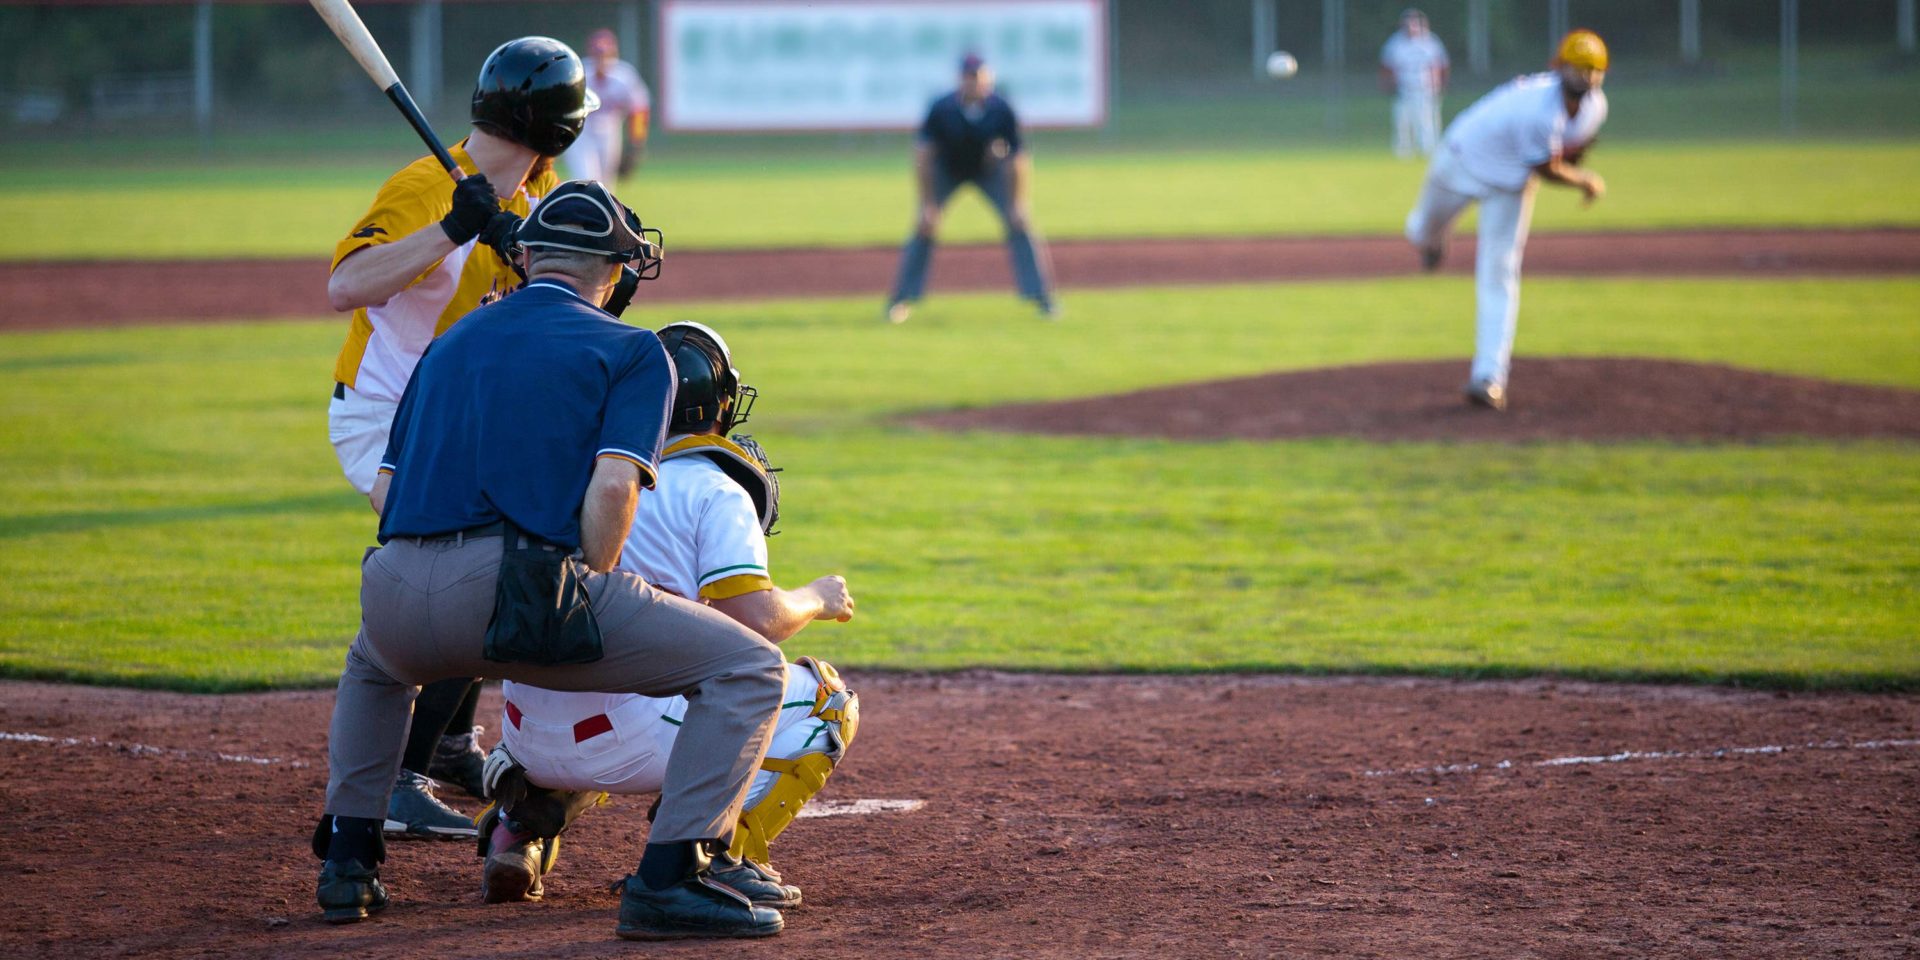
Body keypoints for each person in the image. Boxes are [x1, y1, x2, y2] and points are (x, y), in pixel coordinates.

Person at [312, 179, 791, 941]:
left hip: (395, 586)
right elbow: (611, 490)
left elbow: (388, 487)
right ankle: (673, 876)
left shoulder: (446, 345)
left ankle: (347, 863)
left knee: (374, 670)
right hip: (522, 591)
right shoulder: (633, 349)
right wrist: (593, 579)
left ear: (527, 256)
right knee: (750, 670)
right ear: (614, 273)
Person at [472, 321, 859, 910]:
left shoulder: (568, 469)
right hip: (630, 736)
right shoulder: (712, 489)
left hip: (523, 729)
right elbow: (755, 621)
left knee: (603, 670)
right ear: (722, 404)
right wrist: (815, 596)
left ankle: (520, 823)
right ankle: (718, 854)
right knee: (822, 697)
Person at [326, 36, 594, 841]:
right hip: (385, 417)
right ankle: (399, 780)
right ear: (559, 123)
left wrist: (536, 256)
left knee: (509, 547)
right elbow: (346, 286)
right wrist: (452, 228)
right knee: (459, 565)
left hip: (460, 422)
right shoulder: (422, 187)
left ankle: (445, 746)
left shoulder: (542, 189)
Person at [1403, 29, 1610, 411]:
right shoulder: (1538, 109)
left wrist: (1571, 159)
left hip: (1510, 183)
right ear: (1557, 66)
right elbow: (1548, 168)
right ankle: (1431, 243)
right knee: (1420, 230)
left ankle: (1489, 377)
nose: (1586, 77)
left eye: (1593, 69)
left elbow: (1567, 149)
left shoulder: (1596, 108)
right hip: (1462, 160)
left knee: (1500, 272)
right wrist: (1584, 181)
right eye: (1578, 68)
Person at [885, 53, 1056, 324]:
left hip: (988, 171)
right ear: (960, 79)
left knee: (1021, 223)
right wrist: (928, 204)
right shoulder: (942, 108)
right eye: (968, 76)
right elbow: (924, 156)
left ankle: (1043, 298)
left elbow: (1018, 159)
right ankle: (900, 300)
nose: (973, 82)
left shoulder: (1001, 108)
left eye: (978, 76)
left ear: (989, 78)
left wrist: (1017, 202)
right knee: (924, 225)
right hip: (947, 171)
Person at [562, 28, 651, 184]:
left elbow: (639, 109)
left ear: (614, 54)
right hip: (582, 133)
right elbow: (563, 106)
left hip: (611, 133)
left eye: (606, 54)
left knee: (606, 186)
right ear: (590, 53)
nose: (602, 59)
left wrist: (636, 143)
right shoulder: (579, 72)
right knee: (586, 179)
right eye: (598, 54)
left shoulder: (624, 76)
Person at [1379, 9, 1449, 158]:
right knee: (1402, 122)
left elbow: (1440, 64)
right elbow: (1388, 65)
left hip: (1426, 88)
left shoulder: (1430, 42)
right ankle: (1404, 152)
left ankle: (1428, 150)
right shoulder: (1396, 43)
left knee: (1427, 121)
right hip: (1404, 89)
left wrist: (1440, 83)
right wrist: (1389, 84)